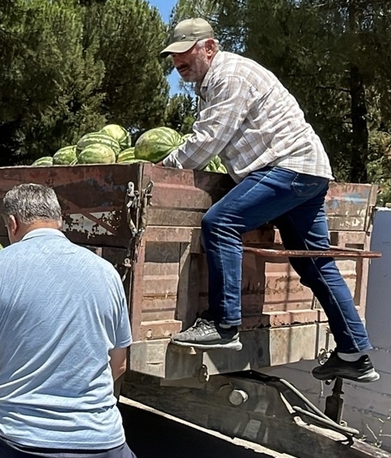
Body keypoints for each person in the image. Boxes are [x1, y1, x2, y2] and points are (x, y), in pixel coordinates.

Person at [159, 18, 379, 382]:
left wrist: (164, 168)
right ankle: (354, 354)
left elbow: (210, 139)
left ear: (209, 47)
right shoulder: (217, 79)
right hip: (308, 170)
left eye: (185, 53)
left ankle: (223, 324)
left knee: (220, 223)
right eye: (174, 56)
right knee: (317, 265)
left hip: (287, 168)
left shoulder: (228, 76)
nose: (178, 62)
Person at [0, 184, 141, 458]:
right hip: (102, 441)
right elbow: (119, 363)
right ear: (59, 221)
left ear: (12, 224)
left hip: (13, 438)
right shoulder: (106, 272)